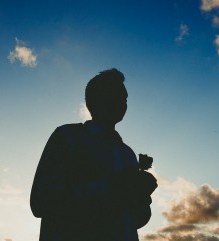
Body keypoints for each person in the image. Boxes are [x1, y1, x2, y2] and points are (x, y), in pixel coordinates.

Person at [30, 68, 157, 241]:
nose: (124, 103)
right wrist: (113, 186)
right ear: (96, 99)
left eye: (125, 99)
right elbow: (40, 201)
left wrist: (142, 198)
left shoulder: (127, 153)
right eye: (117, 96)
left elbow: (134, 219)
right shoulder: (66, 137)